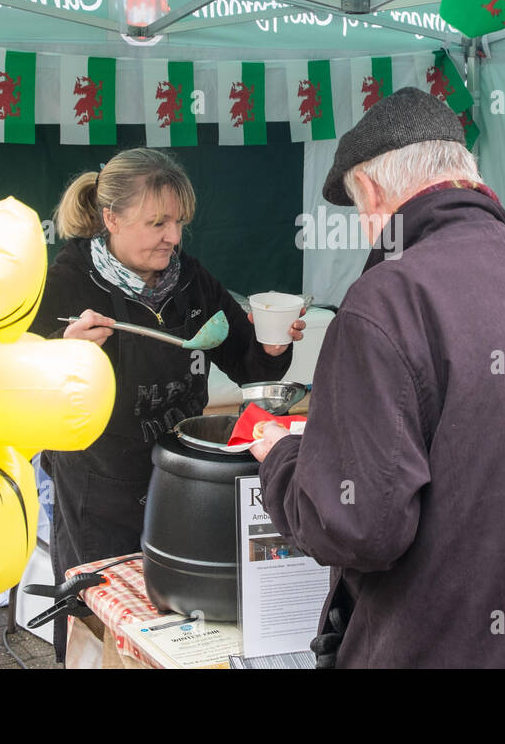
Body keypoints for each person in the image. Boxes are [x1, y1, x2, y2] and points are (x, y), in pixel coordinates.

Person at [248, 87, 505, 668]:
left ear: (372, 192)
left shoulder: (386, 300)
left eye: (360, 212)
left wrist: (283, 460)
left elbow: (358, 527)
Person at [29, 147, 303, 660]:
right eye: (157, 223)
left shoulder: (190, 281)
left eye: (178, 222)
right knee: (99, 624)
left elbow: (249, 366)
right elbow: (18, 383)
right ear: (110, 217)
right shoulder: (66, 281)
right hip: (99, 489)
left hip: (184, 487)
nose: (172, 237)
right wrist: (61, 354)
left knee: (182, 630)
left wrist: (272, 346)